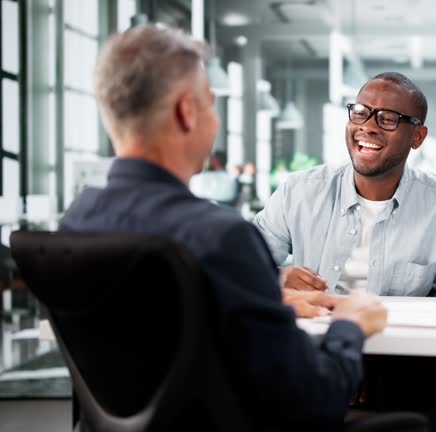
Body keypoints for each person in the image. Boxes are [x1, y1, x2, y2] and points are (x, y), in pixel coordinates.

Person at [59, 24, 387, 429]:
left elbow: (158, 323)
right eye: (212, 105)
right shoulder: (221, 237)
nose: (215, 122)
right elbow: (311, 402)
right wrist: (350, 325)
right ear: (187, 112)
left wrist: (261, 296)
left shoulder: (76, 224)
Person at [254, 72, 436, 410]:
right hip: (308, 359)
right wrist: (275, 277)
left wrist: (374, 356)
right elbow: (240, 272)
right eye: (360, 112)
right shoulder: (299, 192)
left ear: (417, 136)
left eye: (388, 118)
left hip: (402, 370)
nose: (368, 126)